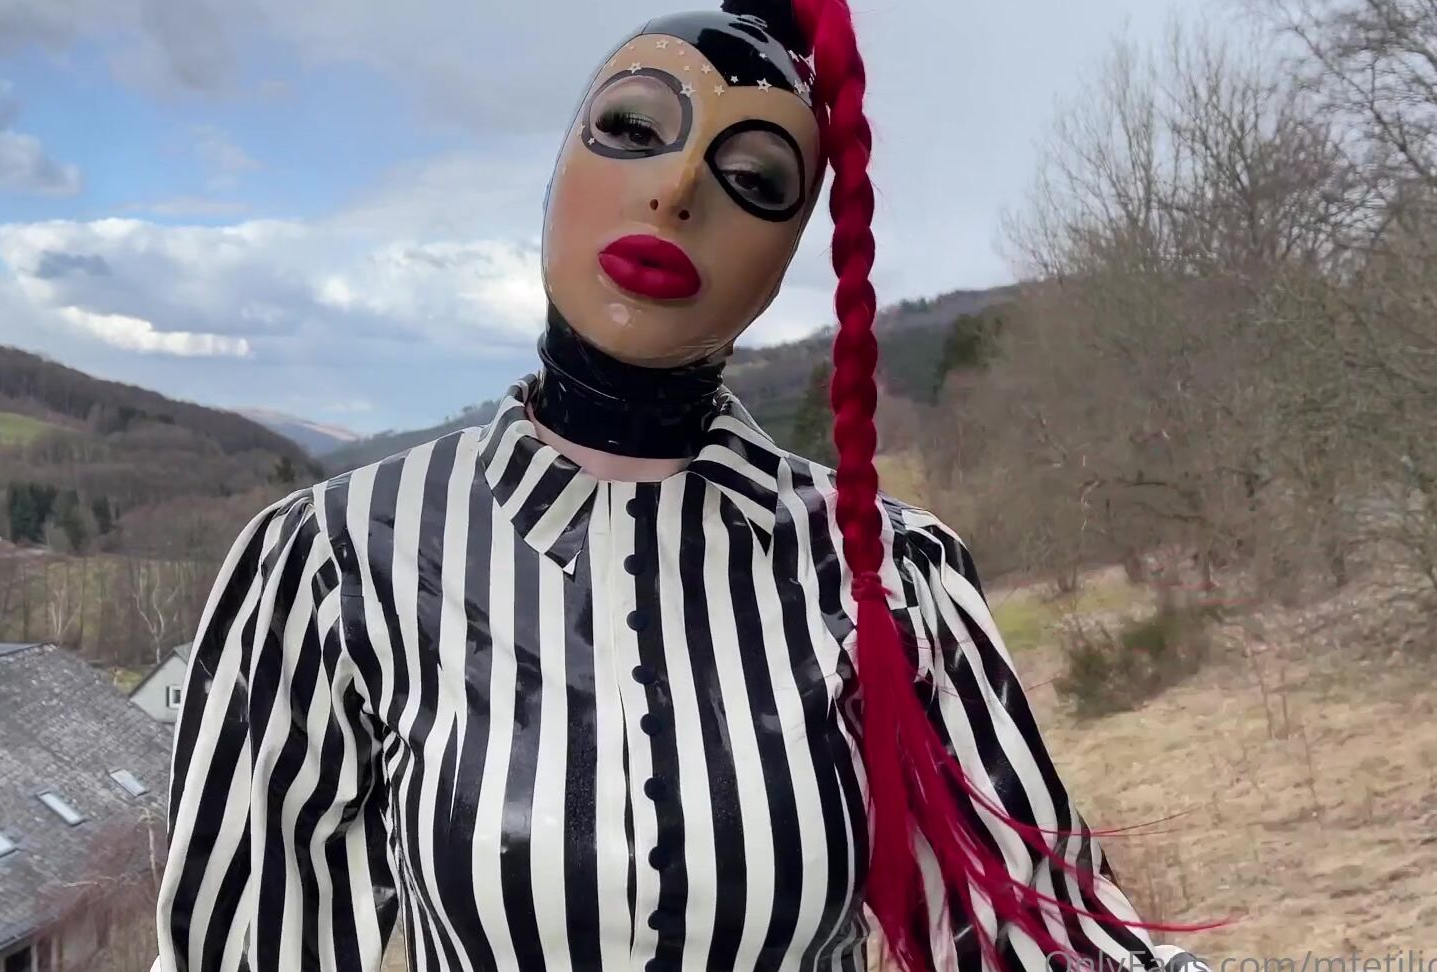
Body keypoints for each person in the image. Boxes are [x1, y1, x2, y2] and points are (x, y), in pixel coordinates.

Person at [152, 1, 1222, 970]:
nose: (675, 191)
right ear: (557, 170)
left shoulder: (889, 576)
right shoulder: (335, 563)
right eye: (631, 127)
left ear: (790, 253)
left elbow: (1041, 940)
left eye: (754, 180)